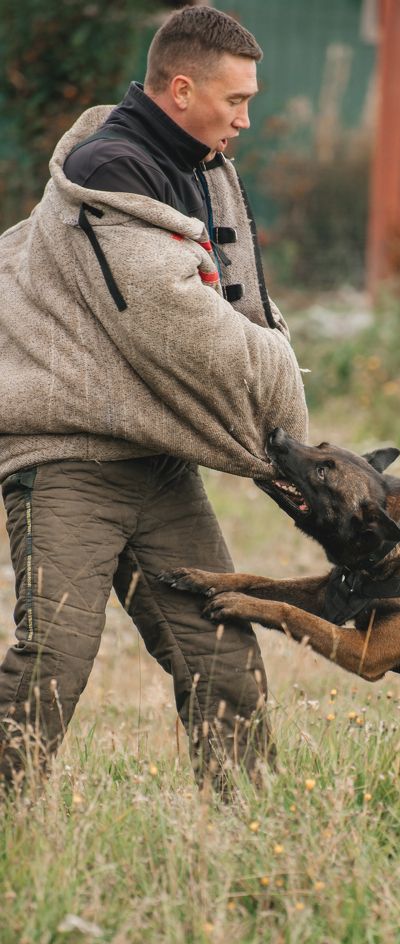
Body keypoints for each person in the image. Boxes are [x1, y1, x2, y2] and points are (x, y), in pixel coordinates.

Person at [0, 6, 307, 794]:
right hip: (67, 458)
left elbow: (236, 303)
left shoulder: (197, 168)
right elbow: (187, 330)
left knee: (224, 660)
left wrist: (277, 447)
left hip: (155, 462)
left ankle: (250, 835)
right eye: (235, 102)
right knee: (53, 666)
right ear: (180, 88)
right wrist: (289, 434)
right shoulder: (113, 172)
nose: (245, 119)